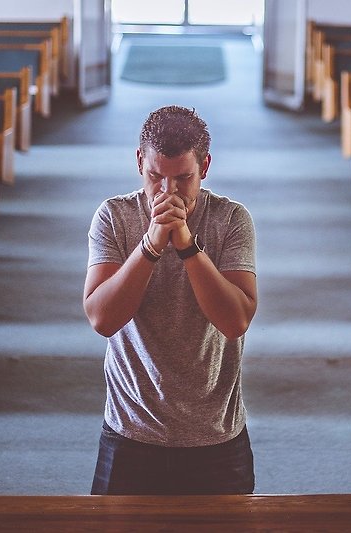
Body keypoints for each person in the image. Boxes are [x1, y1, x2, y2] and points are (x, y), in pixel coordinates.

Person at [83, 105, 258, 495]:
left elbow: (235, 322)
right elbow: (102, 319)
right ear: (139, 162)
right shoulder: (114, 216)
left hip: (216, 436)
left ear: (205, 166)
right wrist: (149, 245)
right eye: (155, 177)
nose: (168, 192)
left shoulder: (231, 219)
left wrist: (187, 246)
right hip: (130, 432)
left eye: (183, 178)